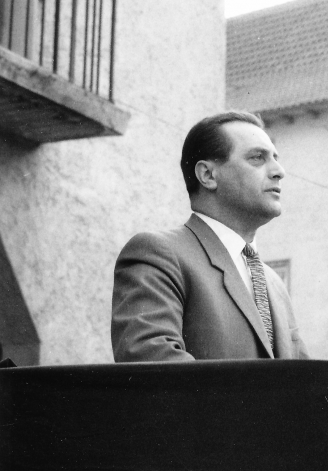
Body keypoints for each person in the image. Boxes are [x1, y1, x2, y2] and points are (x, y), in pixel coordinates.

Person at [112, 111, 309, 362]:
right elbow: (152, 366)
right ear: (207, 175)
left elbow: (306, 383)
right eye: (257, 158)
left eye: (275, 158)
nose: (279, 171)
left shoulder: (274, 283)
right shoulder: (158, 255)